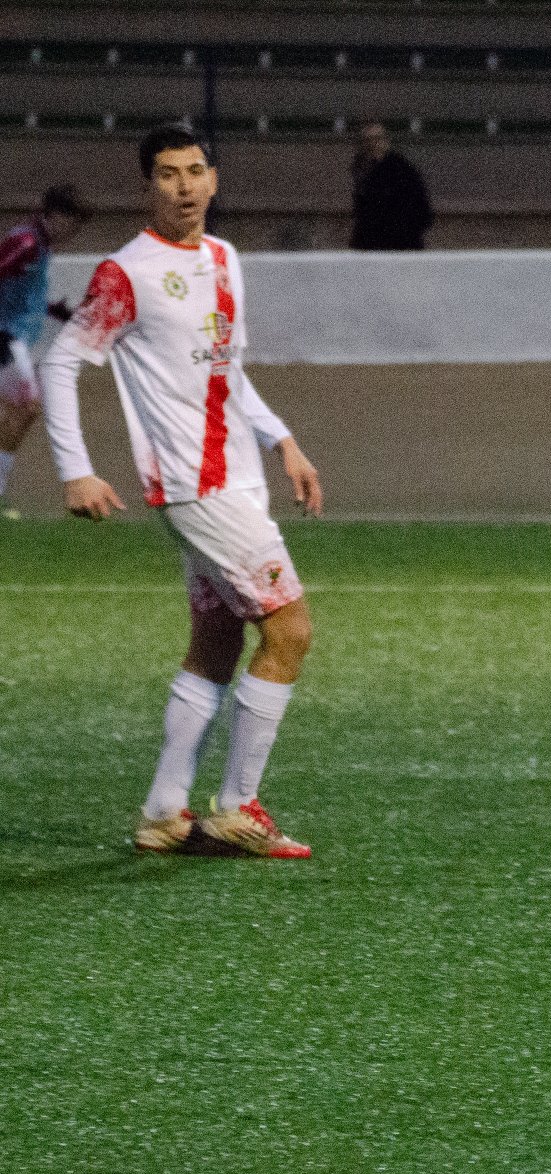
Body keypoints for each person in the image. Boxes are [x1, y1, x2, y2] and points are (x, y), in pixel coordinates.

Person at [40, 125, 323, 859]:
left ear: (215, 179)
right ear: (148, 187)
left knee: (218, 639)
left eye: (196, 171)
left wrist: (281, 438)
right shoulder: (126, 273)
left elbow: (228, 369)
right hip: (196, 488)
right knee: (290, 630)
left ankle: (165, 811)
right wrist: (75, 468)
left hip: (238, 479)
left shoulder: (225, 258)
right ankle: (237, 807)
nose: (185, 187)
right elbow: (61, 361)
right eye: (168, 175)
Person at [0, 184, 90, 517]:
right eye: (73, 221)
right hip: (4, 337)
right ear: (54, 215)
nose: (74, 231)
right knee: (26, 407)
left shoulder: (40, 246)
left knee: (22, 410)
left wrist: (56, 311)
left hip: (13, 338)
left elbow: (23, 294)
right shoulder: (25, 243)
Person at [349, 123, 433, 252]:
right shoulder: (361, 169)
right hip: (371, 242)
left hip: (398, 242)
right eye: (367, 140)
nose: (372, 144)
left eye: (377, 138)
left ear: (386, 140)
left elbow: (418, 207)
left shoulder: (402, 170)